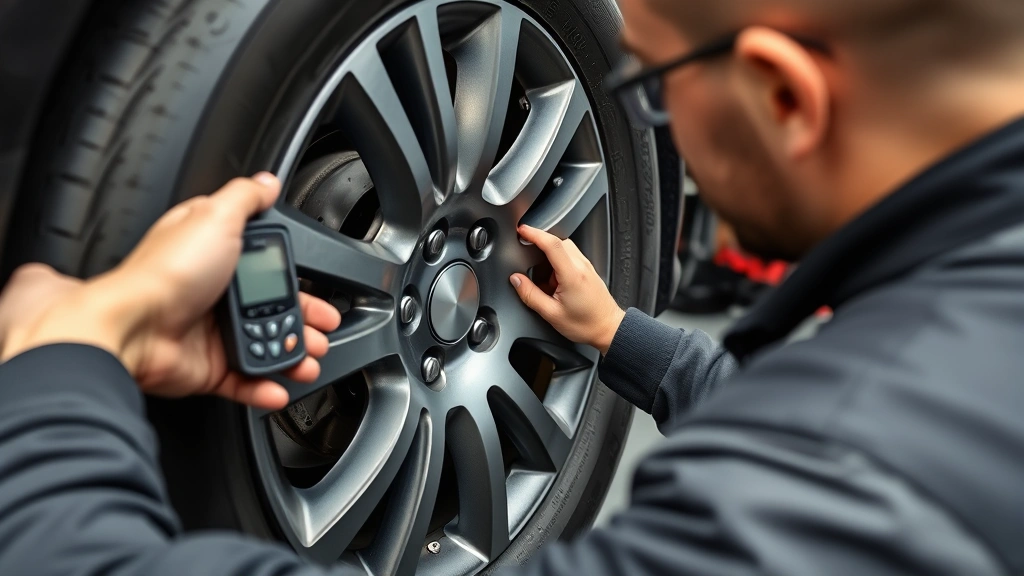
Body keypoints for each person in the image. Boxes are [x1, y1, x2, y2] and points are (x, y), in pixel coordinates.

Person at [0, 0, 1023, 573]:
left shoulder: (850, 497)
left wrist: (56, 372)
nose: (650, 123)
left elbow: (843, 478)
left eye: (651, 81)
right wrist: (628, 338)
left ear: (782, 95)